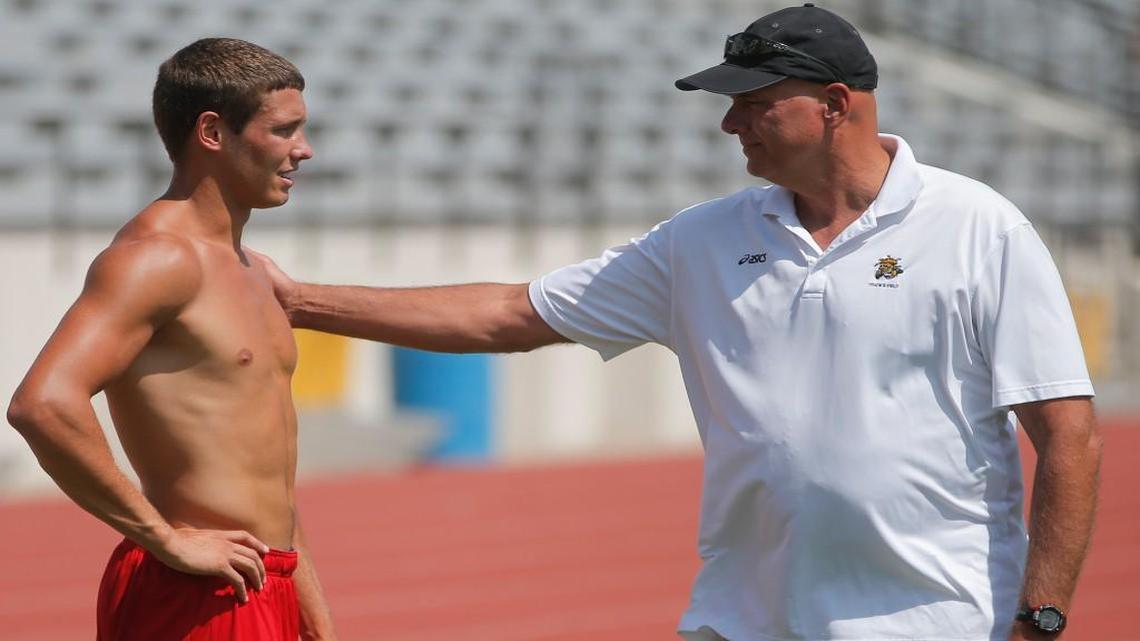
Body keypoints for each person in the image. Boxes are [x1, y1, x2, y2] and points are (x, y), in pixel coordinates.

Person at [258, 4, 1101, 640]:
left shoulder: (979, 226)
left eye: (754, 103)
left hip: (935, 620)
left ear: (835, 104)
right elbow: (510, 313)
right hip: (744, 619)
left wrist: (1044, 615)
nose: (731, 123)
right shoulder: (701, 240)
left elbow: (1068, 436)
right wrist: (301, 302)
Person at [6, 38, 337, 641]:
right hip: (195, 593)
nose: (303, 151)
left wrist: (312, 612)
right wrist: (164, 537)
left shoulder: (255, 270)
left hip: (268, 583)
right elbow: (42, 405)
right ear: (212, 132)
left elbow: (269, 474)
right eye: (283, 131)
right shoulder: (156, 260)